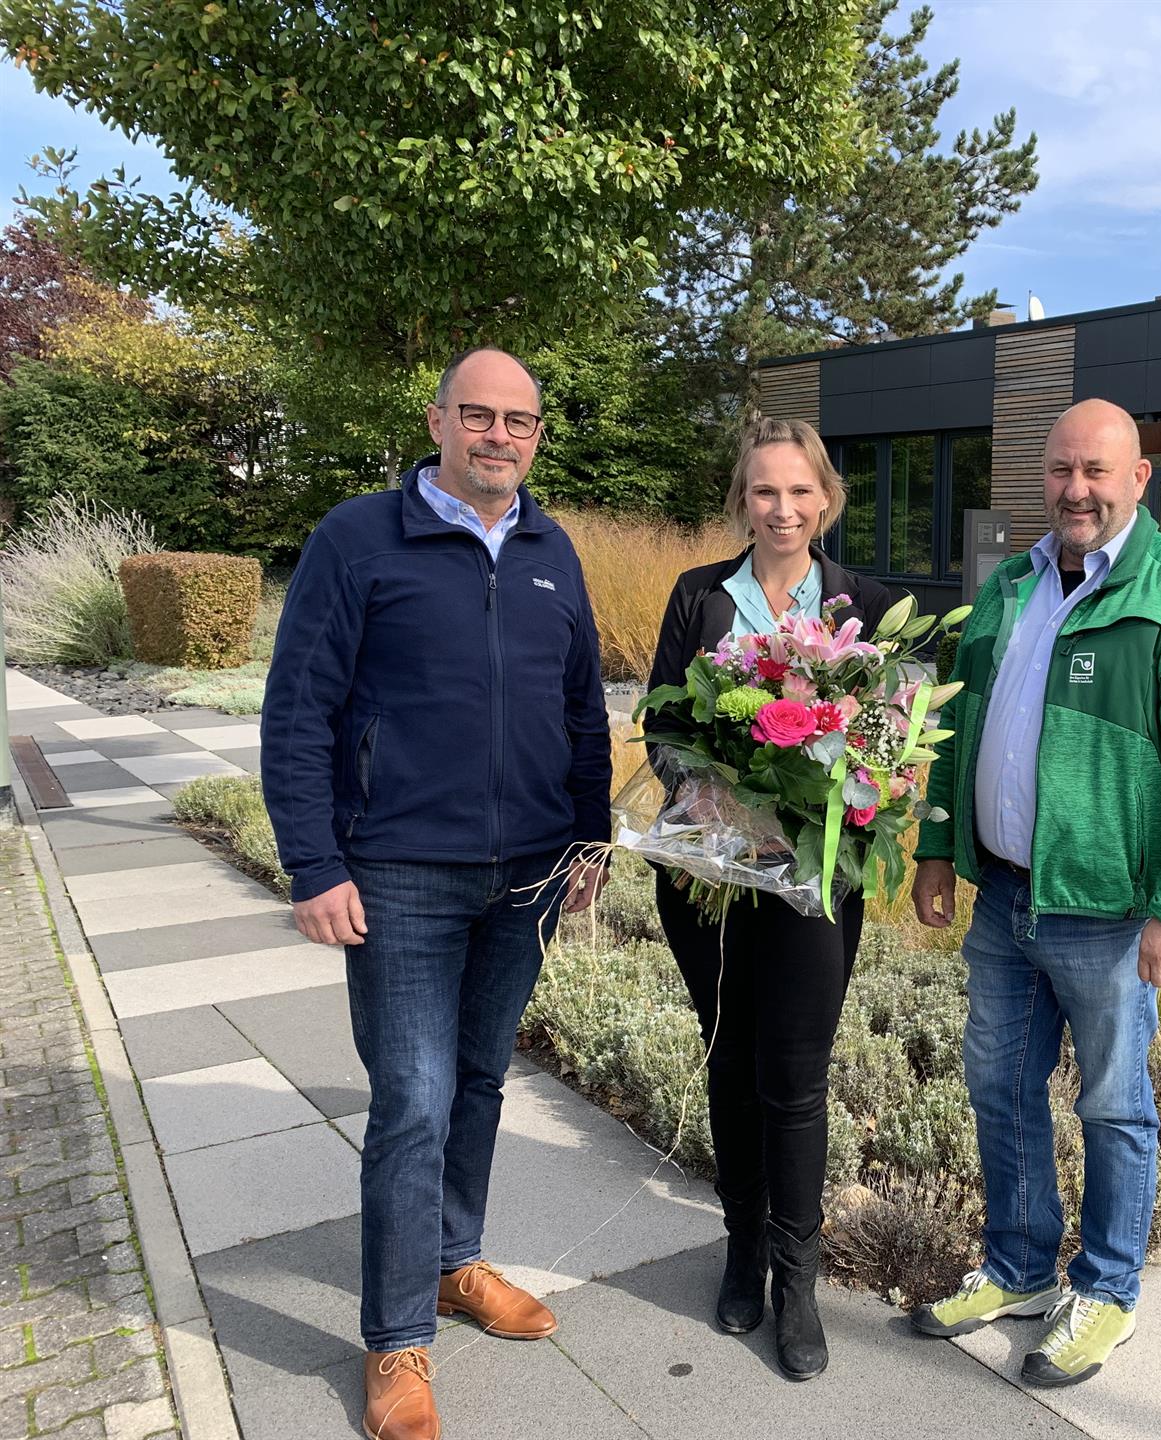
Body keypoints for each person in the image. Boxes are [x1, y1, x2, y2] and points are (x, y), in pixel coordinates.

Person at [261, 346, 611, 1440]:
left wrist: (591, 837)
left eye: (520, 421)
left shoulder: (554, 549)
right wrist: (315, 864)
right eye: (478, 415)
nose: (499, 435)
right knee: (410, 1102)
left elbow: (581, 708)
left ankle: (458, 1261)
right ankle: (396, 1338)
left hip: (527, 876)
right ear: (438, 419)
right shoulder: (358, 539)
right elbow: (298, 708)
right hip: (402, 873)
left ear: (537, 435)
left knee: (478, 1082)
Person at [907, 398, 1161, 1387]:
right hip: (1004, 899)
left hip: (1106, 915)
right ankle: (1018, 1269)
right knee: (1000, 1091)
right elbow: (953, 727)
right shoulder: (1012, 587)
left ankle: (1104, 1291)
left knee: (1113, 1105)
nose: (1077, 490)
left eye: (1098, 472)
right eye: (1062, 470)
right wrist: (939, 845)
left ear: (1140, 480)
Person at [645, 416, 895, 1381]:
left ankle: (798, 1279)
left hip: (810, 889)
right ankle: (741, 1245)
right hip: (707, 883)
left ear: (825, 499)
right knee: (727, 1057)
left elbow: (884, 753)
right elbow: (660, 716)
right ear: (741, 500)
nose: (782, 509)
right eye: (763, 491)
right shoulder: (700, 598)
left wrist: (855, 779)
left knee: (792, 1077)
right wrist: (701, 784)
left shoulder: (866, 606)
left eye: (799, 492)